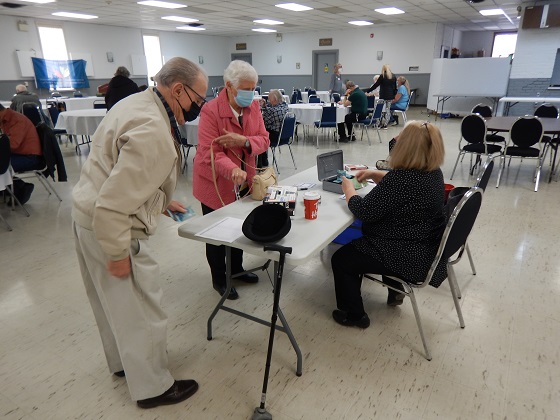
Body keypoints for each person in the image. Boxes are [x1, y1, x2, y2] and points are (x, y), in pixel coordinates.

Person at [72, 57, 208, 408]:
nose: (198, 107)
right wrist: (118, 254)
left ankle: (123, 366)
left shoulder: (135, 102)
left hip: (86, 218)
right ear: (178, 89)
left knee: (110, 305)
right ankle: (153, 387)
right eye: (197, 99)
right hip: (111, 227)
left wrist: (162, 203)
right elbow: (114, 205)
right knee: (142, 309)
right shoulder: (154, 132)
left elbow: (119, 171)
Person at [331, 121, 447, 329]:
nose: (395, 141)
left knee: (341, 259)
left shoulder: (401, 180)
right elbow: (405, 189)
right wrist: (377, 175)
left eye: (399, 138)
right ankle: (395, 288)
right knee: (364, 245)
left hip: (406, 252)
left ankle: (354, 315)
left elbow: (364, 211)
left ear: (408, 148)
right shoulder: (433, 173)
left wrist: (349, 189)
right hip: (423, 243)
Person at [193, 60, 270, 300]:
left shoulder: (254, 108)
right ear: (229, 86)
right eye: (246, 89)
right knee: (217, 234)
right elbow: (209, 153)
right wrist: (232, 171)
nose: (251, 94)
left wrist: (244, 141)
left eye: (254, 89)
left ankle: (236, 270)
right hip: (215, 183)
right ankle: (219, 278)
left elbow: (264, 139)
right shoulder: (211, 111)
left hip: (245, 181)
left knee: (240, 227)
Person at [0, 104, 42, 172]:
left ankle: (17, 183)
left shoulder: (16, 120)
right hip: (18, 154)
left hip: (30, 157)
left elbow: (13, 145)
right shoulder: (5, 119)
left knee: (2, 166)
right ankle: (17, 183)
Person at [259, 89, 289, 167]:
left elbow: (264, 122)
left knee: (260, 137)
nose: (268, 100)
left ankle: (262, 163)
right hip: (285, 136)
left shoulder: (274, 111)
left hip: (276, 137)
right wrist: (265, 107)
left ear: (275, 99)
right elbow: (271, 112)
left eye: (269, 98)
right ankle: (263, 161)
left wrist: (262, 108)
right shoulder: (285, 106)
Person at [363, 64, 397, 128]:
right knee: (387, 110)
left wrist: (368, 91)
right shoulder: (393, 76)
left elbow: (376, 85)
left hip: (383, 95)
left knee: (380, 109)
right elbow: (395, 87)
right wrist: (394, 95)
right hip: (390, 96)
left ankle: (378, 123)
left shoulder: (382, 76)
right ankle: (386, 124)